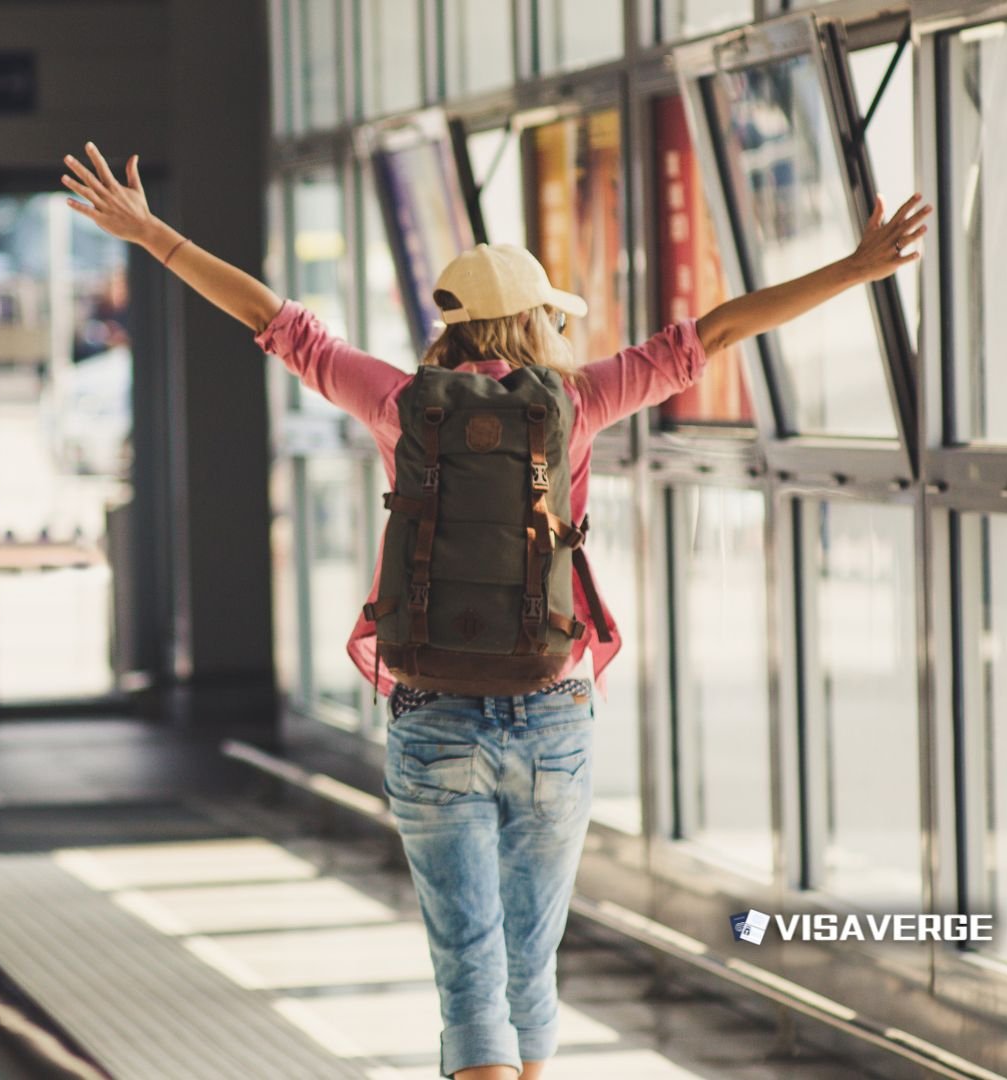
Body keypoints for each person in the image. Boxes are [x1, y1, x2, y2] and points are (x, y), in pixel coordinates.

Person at [60, 140, 928, 1080]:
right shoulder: (578, 401)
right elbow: (714, 334)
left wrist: (151, 234)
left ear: (455, 327)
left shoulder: (402, 402)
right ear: (533, 322)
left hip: (432, 714)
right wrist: (857, 266)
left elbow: (276, 322)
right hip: (552, 712)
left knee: (469, 978)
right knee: (529, 968)